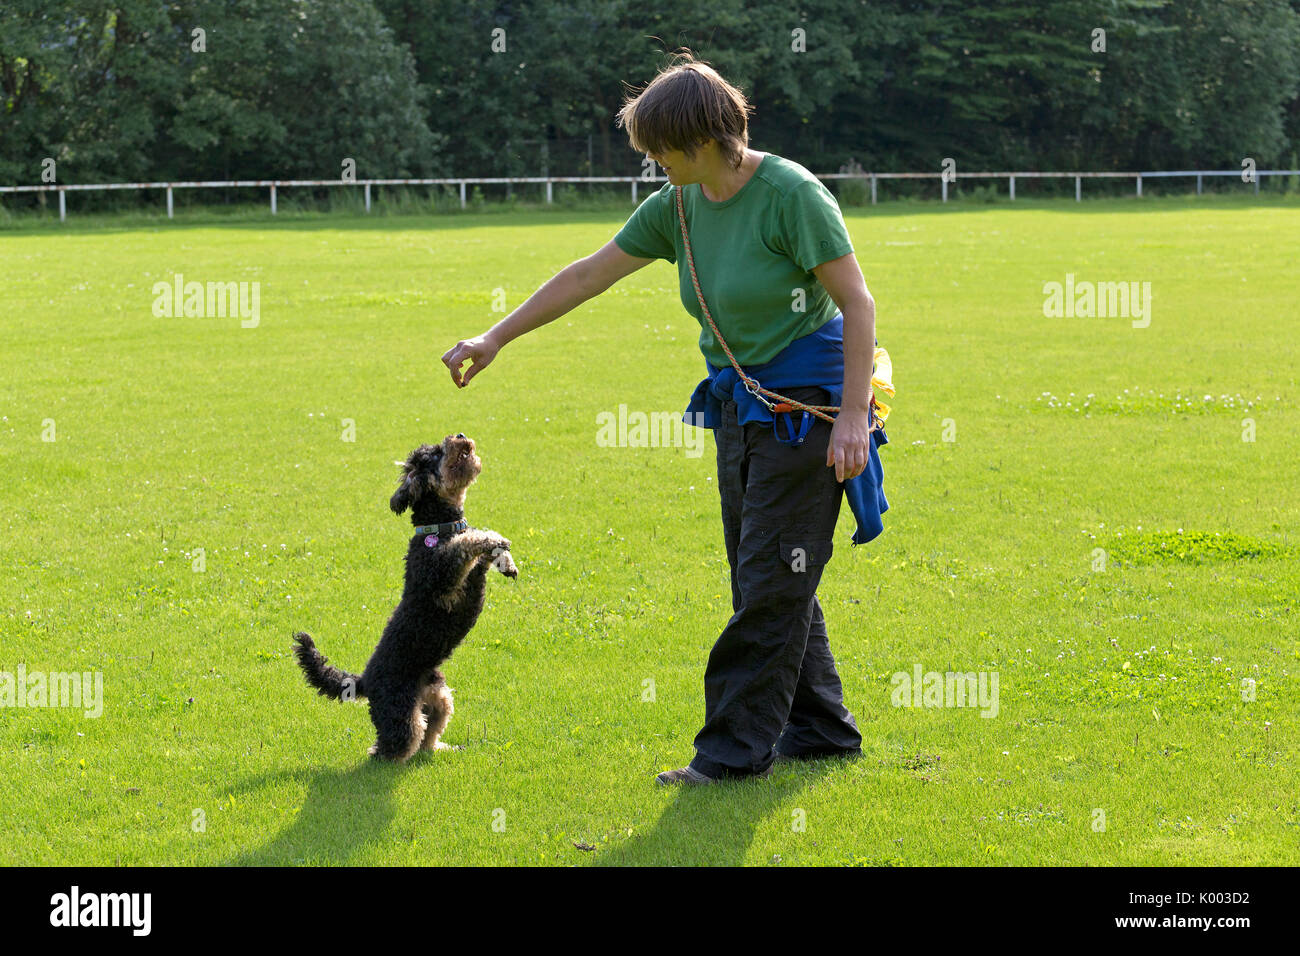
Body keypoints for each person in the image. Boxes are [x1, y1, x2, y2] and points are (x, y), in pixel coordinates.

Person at [442, 52, 888, 785]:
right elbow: (589, 273)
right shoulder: (677, 205)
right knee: (768, 579)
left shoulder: (791, 195)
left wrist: (849, 419)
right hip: (741, 408)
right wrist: (495, 337)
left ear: (706, 138)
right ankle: (821, 731)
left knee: (772, 581)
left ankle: (730, 756)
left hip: (808, 411)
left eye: (661, 150)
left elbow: (858, 303)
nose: (653, 163)